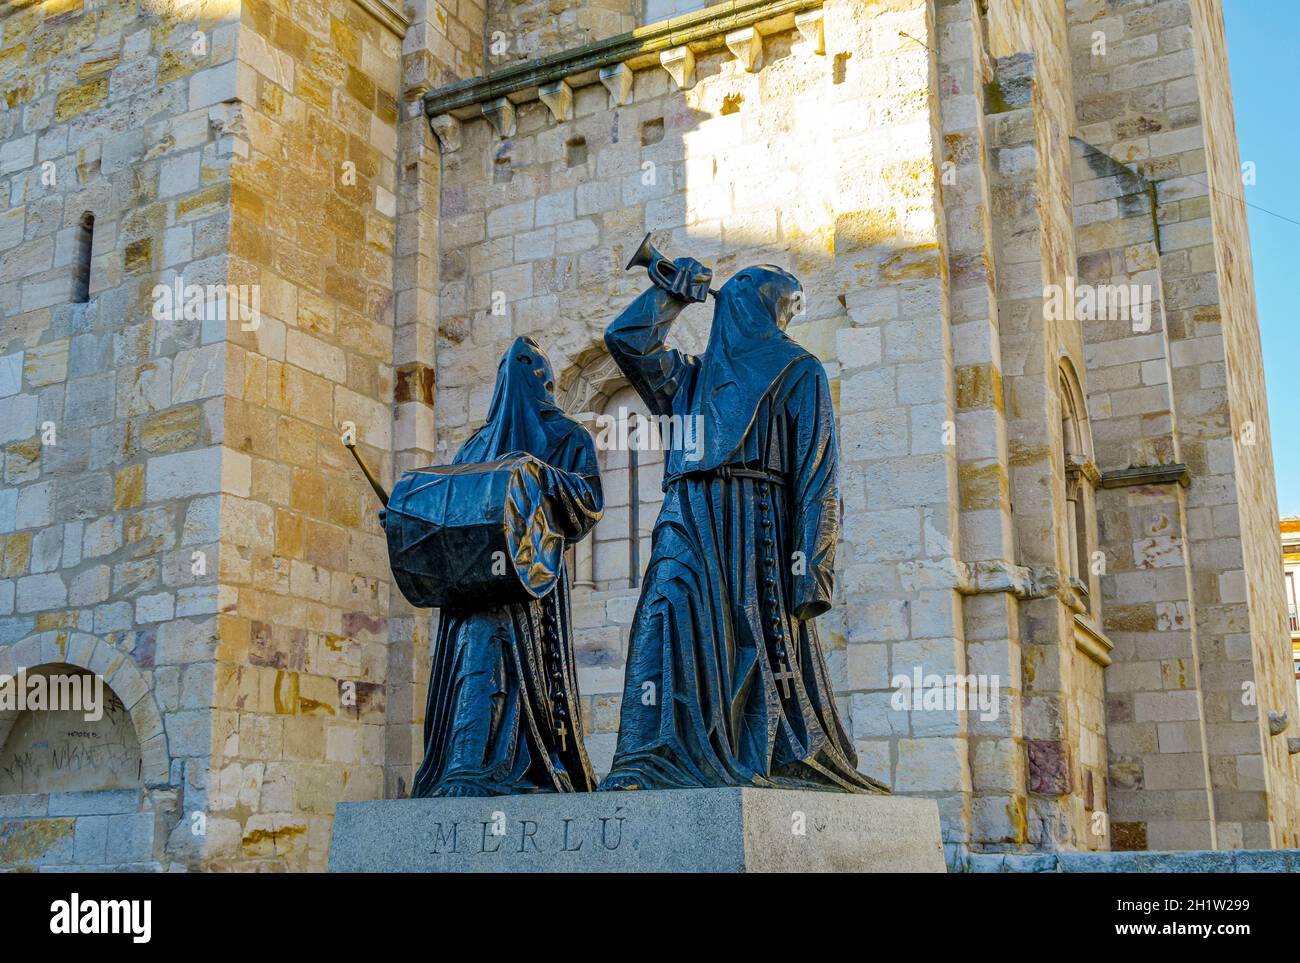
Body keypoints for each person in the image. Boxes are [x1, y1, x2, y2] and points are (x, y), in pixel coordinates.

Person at [599, 260, 886, 793]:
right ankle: (648, 759)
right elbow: (626, 341)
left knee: (751, 642)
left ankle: (752, 754)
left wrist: (811, 568)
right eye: (786, 303)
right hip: (685, 514)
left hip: (757, 525)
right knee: (661, 619)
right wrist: (669, 295)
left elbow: (818, 476)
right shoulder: (687, 377)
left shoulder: (800, 370)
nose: (788, 317)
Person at [412, 336, 603, 796]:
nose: (523, 373)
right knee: (471, 661)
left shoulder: (568, 437)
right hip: (471, 585)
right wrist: (405, 517)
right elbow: (448, 506)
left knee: (511, 663)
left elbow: (589, 501)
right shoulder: (475, 445)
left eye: (532, 365)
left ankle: (512, 766)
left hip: (528, 585)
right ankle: (463, 765)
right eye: (514, 365)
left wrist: (539, 472)